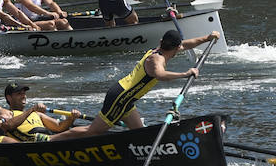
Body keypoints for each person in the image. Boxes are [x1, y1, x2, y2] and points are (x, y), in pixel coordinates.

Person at [51, 29, 220, 140]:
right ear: (175, 47)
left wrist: (207, 38)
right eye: (179, 46)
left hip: (126, 99)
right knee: (94, 131)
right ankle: (52, 140)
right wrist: (186, 74)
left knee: (140, 135)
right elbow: (160, 75)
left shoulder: (161, 48)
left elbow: (187, 43)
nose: (181, 48)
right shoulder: (156, 60)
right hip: (120, 97)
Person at [0, 82, 78, 143]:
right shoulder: (6, 113)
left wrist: (71, 118)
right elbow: (8, 125)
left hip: (48, 137)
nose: (23, 96)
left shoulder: (37, 114)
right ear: (9, 98)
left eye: (24, 93)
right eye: (19, 94)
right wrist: (31, 110)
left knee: (75, 132)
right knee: (76, 133)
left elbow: (59, 127)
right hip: (34, 142)